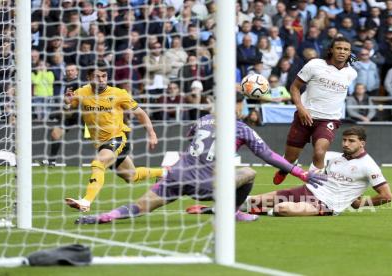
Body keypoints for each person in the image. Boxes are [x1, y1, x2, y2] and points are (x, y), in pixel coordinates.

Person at [75, 114, 327, 224]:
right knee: (248, 173)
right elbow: (268, 156)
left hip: (176, 175)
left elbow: (190, 136)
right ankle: (232, 212)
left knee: (139, 208)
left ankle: (103, 217)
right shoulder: (242, 129)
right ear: (237, 109)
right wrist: (300, 173)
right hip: (207, 184)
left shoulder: (203, 119)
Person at [63, 61, 165, 212]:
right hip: (100, 143)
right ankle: (164, 173)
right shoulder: (81, 93)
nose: (102, 79)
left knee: (99, 163)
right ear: (89, 78)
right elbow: (68, 113)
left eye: (104, 76)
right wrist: (66, 104)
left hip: (117, 138)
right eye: (97, 76)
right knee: (131, 176)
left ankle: (86, 201)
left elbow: (140, 113)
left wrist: (151, 133)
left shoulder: (118, 93)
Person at [243, 127, 392, 216]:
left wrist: (359, 204)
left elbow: (386, 196)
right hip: (306, 191)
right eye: (344, 140)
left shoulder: (369, 165)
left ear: (362, 143)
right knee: (249, 201)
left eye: (351, 141)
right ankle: (236, 210)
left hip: (326, 204)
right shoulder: (334, 157)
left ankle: (263, 211)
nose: (346, 144)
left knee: (281, 208)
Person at [272, 37, 357, 185]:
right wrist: (300, 108)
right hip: (305, 116)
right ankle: (285, 169)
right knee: (289, 159)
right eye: (339, 48)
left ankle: (313, 189)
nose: (342, 51)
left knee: (319, 153)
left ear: (349, 53)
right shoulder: (315, 64)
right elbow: (294, 87)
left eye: (346, 49)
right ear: (331, 50)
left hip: (329, 119)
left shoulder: (351, 73)